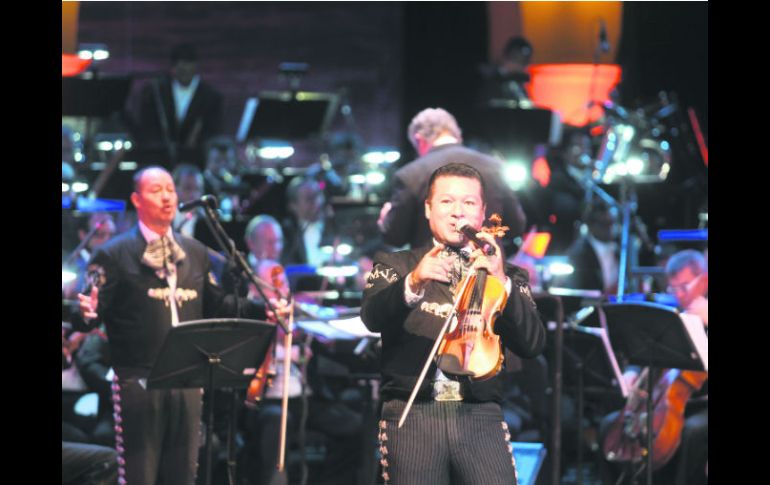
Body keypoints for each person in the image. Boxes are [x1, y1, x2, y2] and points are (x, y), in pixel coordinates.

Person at [72, 166, 266, 485]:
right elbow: (88, 312)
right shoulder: (114, 253)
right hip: (138, 381)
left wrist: (264, 311)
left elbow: (220, 305)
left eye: (171, 190)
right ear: (136, 199)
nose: (167, 197)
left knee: (183, 477)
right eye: (156, 190)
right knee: (140, 477)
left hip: (188, 378)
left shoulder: (195, 253)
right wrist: (87, 312)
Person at [362, 163, 546, 485]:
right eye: (446, 202)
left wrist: (501, 280)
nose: (457, 213)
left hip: (480, 414)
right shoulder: (396, 264)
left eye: (469, 203)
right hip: (413, 415)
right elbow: (372, 316)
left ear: (482, 213)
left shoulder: (508, 275)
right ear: (428, 209)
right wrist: (415, 281)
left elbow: (532, 344)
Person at [599, 249, 708, 485]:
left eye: (684, 287)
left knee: (691, 433)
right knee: (609, 425)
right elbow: (650, 350)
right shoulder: (674, 314)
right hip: (665, 401)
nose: (679, 295)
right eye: (673, 288)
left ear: (704, 280)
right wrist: (632, 372)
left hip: (701, 404)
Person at [377, 107, 527, 253]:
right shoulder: (495, 167)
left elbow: (395, 238)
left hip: (433, 274)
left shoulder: (410, 175)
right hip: (488, 273)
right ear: (456, 135)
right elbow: (516, 226)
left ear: (419, 140)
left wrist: (386, 221)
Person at [134, 43, 224, 168]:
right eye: (181, 69)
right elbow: (147, 127)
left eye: (188, 67)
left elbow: (213, 131)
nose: (185, 72)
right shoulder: (156, 92)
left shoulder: (211, 96)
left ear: (195, 66)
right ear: (173, 68)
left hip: (196, 163)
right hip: (159, 162)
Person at [552, 202, 620, 294]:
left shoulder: (620, 248)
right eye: (605, 224)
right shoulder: (579, 253)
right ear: (591, 225)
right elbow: (577, 289)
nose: (611, 229)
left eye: (612, 223)